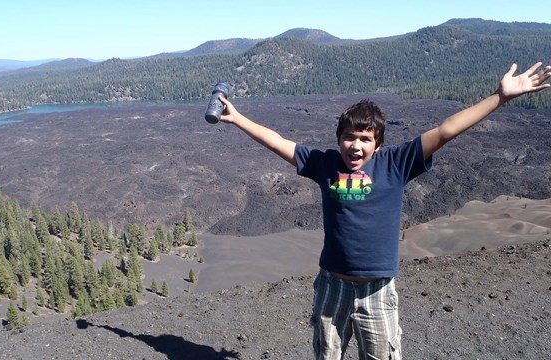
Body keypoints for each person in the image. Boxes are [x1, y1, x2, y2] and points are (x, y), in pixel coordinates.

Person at [217, 62, 551, 360]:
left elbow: (447, 130)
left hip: (378, 290)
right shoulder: (325, 164)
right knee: (327, 353)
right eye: (349, 137)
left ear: (378, 143)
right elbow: (278, 142)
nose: (356, 146)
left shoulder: (397, 163)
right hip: (332, 285)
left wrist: (500, 97)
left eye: (365, 138)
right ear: (338, 139)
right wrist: (237, 118)